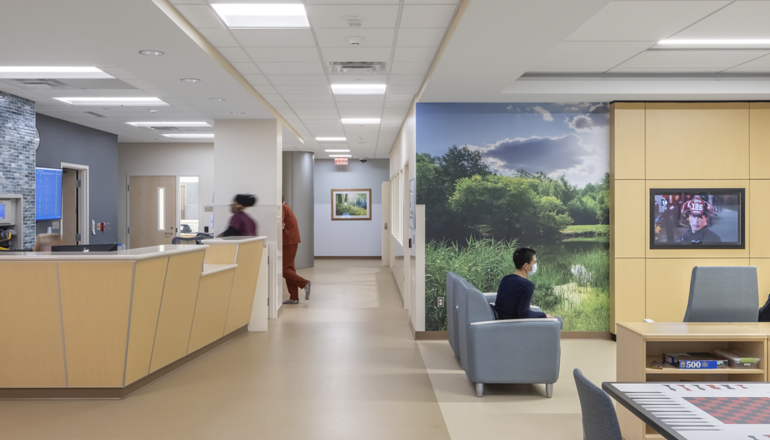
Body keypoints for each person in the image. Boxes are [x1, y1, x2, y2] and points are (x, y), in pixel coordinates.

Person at [494, 247, 564, 329]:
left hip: (500, 321)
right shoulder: (527, 285)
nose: (535, 265)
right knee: (559, 320)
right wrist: (544, 315)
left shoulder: (506, 279)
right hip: (514, 326)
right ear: (526, 266)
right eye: (534, 262)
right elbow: (524, 314)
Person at [282, 195, 311, 304]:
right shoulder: (285, 207)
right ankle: (294, 297)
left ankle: (305, 283)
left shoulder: (283, 208)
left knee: (283, 269)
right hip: (290, 241)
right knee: (289, 268)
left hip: (288, 242)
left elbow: (278, 223)